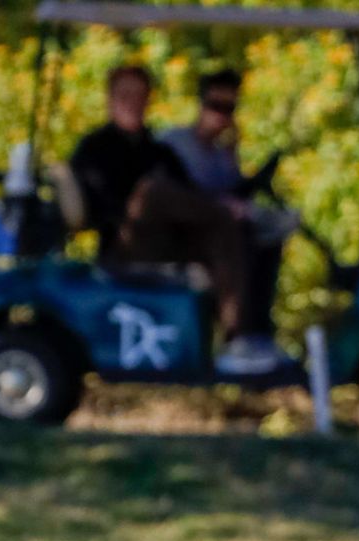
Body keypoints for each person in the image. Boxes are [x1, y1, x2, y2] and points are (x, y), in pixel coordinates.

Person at [68, 62, 276, 378]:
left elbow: (190, 194)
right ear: (110, 99)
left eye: (140, 95)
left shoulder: (157, 150)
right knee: (153, 192)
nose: (132, 102)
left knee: (226, 229)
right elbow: (106, 207)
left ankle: (241, 338)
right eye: (125, 94)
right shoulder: (94, 148)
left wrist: (229, 204)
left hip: (167, 244)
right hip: (125, 245)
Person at [162, 69, 295, 349]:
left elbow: (235, 193)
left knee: (268, 233)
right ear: (201, 104)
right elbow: (167, 197)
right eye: (215, 106)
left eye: (229, 108)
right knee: (237, 236)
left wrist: (232, 153)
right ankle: (239, 335)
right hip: (182, 238)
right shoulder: (174, 143)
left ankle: (257, 332)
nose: (221, 115)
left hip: (221, 235)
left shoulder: (222, 154)